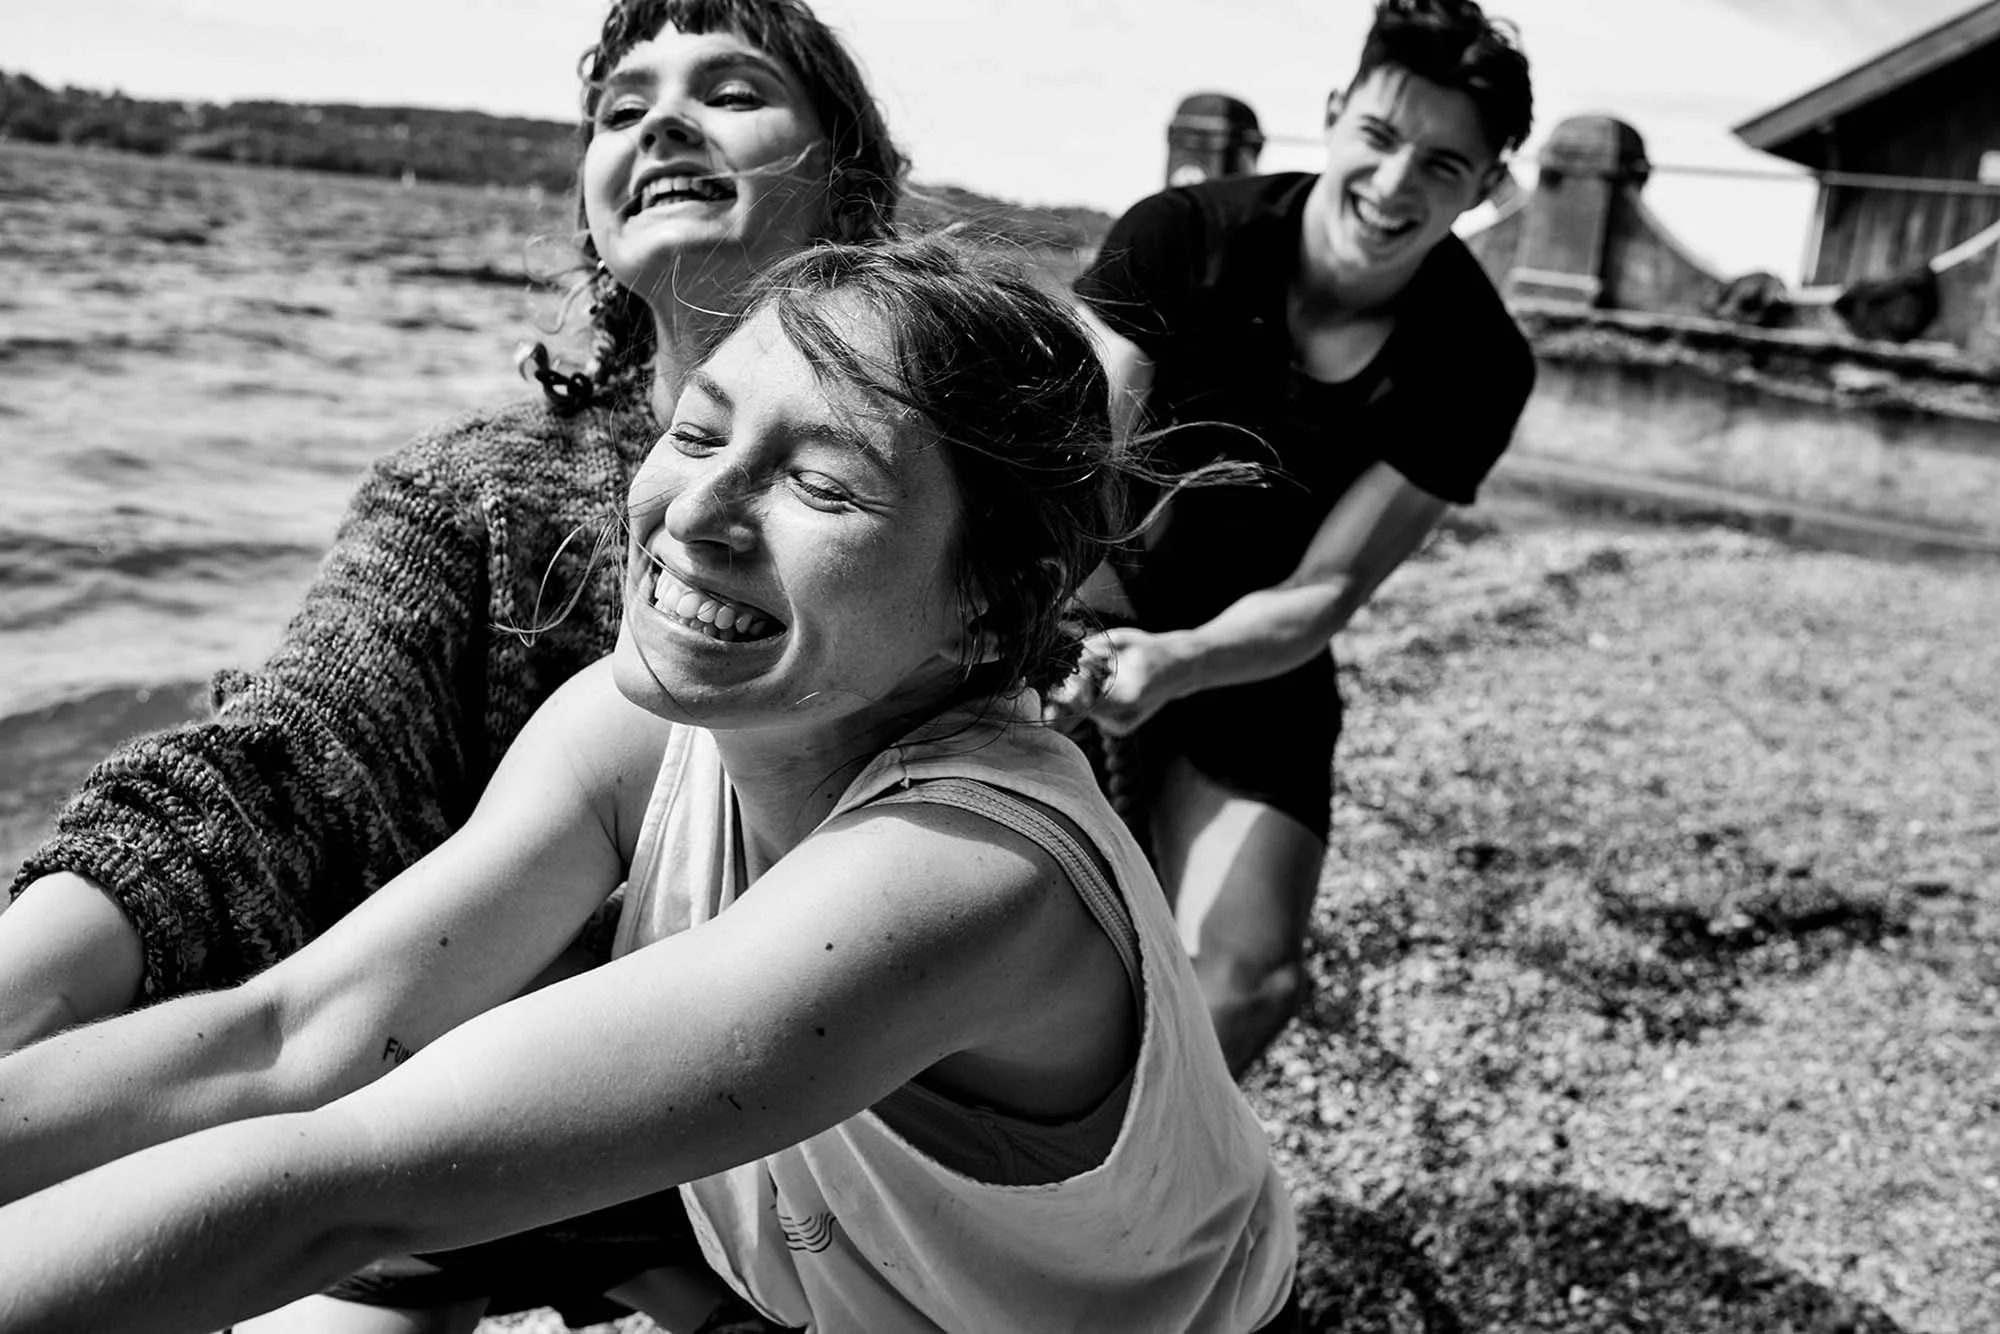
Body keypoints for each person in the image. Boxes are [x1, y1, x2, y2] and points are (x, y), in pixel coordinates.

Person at [0, 236, 1300, 1334]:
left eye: (822, 483)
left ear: (990, 606)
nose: (699, 509)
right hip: (834, 1268)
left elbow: (342, 1184)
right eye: (697, 430)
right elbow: (291, 1037)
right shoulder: (640, 727)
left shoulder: (967, 874)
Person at [0, 0, 902, 1326]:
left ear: (847, 170)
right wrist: (36, 973)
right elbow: (292, 757)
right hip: (443, 1148)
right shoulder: (479, 486)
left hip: (799, 1162)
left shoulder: (926, 517)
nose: (662, 121)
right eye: (621, 108)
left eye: (730, 90)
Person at [1056, 0, 1537, 1076]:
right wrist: (1068, 643)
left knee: (1246, 979)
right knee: (1006, 919)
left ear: (1486, 184)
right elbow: (1072, 481)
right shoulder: (1179, 236)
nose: (1395, 184)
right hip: (1087, 602)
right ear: (1331, 114)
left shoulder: (1479, 362)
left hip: (1253, 653)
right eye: (1379, 136)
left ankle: (1139, 1156)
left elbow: (1326, 589)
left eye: (1443, 165)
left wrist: (1181, 662)